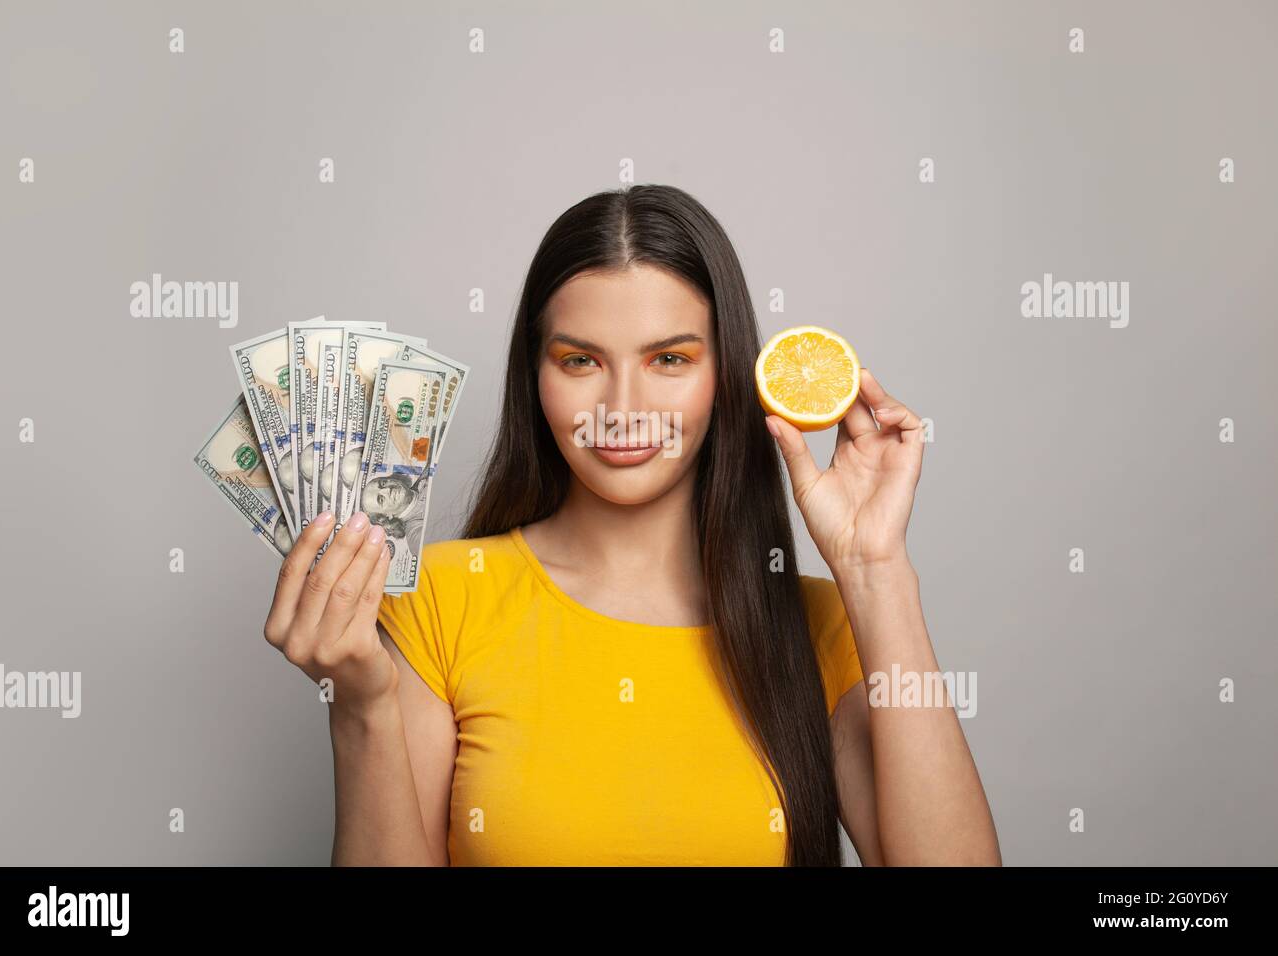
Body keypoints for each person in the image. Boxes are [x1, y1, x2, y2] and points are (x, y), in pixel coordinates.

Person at [261, 184, 1001, 867]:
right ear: (535, 376)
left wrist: (877, 573)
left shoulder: (821, 629)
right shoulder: (438, 600)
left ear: (727, 373)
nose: (623, 406)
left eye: (669, 358)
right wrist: (358, 707)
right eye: (580, 360)